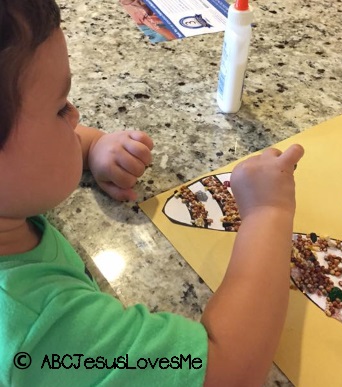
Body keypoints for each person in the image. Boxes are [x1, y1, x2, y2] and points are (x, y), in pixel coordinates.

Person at [0, 1, 304, 386]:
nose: (77, 117)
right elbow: (227, 369)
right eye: (60, 109)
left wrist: (93, 147)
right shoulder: (42, 331)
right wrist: (267, 213)